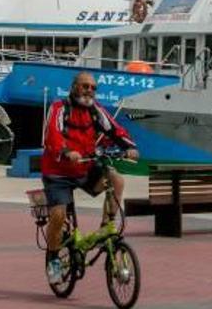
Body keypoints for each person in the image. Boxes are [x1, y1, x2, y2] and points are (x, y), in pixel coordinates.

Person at [41, 71, 138, 285]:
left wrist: (129, 147)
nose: (90, 91)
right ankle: (54, 261)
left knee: (117, 180)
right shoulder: (59, 108)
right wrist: (66, 152)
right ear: (74, 87)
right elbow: (53, 135)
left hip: (85, 167)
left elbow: (114, 129)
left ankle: (107, 225)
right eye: (85, 86)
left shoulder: (96, 110)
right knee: (58, 216)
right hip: (58, 172)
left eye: (93, 88)